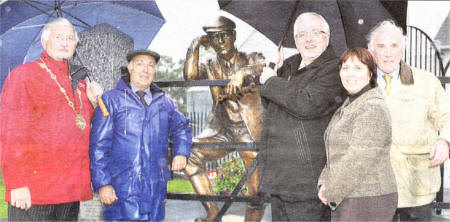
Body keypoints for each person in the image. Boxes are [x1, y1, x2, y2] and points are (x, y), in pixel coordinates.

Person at [0, 18, 103, 220]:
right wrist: (17, 184)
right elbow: (11, 133)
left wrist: (91, 104)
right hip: (35, 192)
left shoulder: (80, 83)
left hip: (70, 192)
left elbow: (76, 126)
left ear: (76, 44)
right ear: (44, 42)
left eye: (70, 38)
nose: (65, 43)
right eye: (58, 37)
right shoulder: (24, 76)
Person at [258, 12, 345, 221]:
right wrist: (274, 70)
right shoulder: (288, 65)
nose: (309, 39)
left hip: (306, 183)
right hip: (280, 179)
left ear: (327, 37)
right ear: (295, 40)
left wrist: (271, 82)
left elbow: (306, 104)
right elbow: (271, 106)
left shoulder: (334, 68)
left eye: (316, 33)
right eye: (302, 34)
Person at [89, 49, 192, 221]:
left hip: (155, 190)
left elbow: (181, 126)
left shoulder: (165, 102)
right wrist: (103, 184)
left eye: (151, 65)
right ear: (130, 69)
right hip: (122, 190)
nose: (146, 69)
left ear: (155, 71)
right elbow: (98, 146)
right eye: (140, 64)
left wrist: (181, 152)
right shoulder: (111, 100)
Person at [183, 16, 266, 222]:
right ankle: (212, 212)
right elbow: (190, 76)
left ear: (234, 36)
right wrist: (194, 46)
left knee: (255, 193)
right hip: (223, 132)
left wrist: (242, 73)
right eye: (213, 37)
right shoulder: (210, 64)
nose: (219, 42)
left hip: (249, 134)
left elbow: (263, 66)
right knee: (191, 158)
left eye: (224, 36)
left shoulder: (250, 58)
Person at [367, 20, 450, 221]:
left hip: (416, 187)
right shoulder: (359, 83)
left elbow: (447, 118)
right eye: (381, 46)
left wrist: (444, 141)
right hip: (373, 189)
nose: (388, 53)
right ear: (371, 51)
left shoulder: (427, 82)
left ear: (402, 50)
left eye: (394, 46)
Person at [317, 47, 398, 221]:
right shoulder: (350, 104)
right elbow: (334, 154)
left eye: (358, 68)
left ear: (370, 74)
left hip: (368, 200)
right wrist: (324, 182)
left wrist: (331, 190)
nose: (350, 74)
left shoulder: (372, 107)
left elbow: (357, 159)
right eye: (345, 68)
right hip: (348, 196)